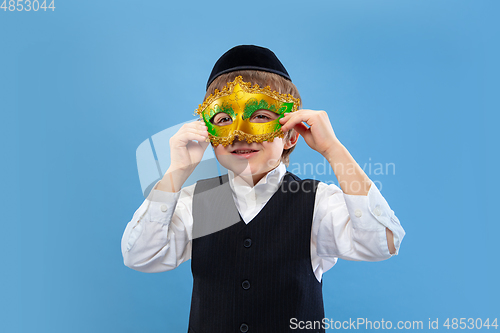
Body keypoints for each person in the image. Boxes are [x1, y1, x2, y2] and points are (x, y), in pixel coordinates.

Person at [121, 45, 405, 333]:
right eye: (223, 118)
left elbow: (382, 242)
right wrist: (177, 171)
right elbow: (140, 255)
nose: (240, 133)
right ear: (208, 132)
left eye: (260, 116)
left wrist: (333, 150)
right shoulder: (194, 202)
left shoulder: (317, 202)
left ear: (291, 134)